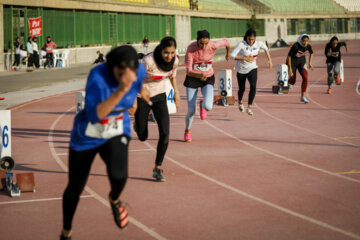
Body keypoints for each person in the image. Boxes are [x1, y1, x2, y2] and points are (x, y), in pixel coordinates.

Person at [60, 46, 151, 240]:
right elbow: (95, 115)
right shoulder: (98, 77)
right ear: (111, 68)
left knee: (119, 175)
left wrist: (142, 90)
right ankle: (66, 231)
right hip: (88, 134)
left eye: (132, 73)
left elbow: (138, 82)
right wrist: (122, 90)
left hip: (116, 130)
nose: (128, 77)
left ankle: (114, 199)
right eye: (121, 73)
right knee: (75, 188)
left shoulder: (139, 70)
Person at [134, 36, 180, 182]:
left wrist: (176, 93)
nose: (169, 56)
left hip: (160, 96)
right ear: (161, 50)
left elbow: (172, 77)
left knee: (165, 133)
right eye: (166, 52)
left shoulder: (175, 61)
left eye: (172, 53)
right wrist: (133, 102)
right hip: (143, 95)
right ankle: (138, 124)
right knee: (142, 136)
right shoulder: (148, 61)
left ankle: (157, 168)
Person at [183, 30, 230, 142]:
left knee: (208, 107)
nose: (203, 46)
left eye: (206, 43)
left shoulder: (213, 45)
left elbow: (226, 42)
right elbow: (189, 71)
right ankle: (187, 131)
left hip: (207, 78)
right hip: (193, 79)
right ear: (197, 40)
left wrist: (227, 53)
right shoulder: (191, 49)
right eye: (201, 43)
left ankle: (202, 104)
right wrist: (199, 74)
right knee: (191, 111)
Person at [230, 28, 272, 116]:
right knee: (242, 89)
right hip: (241, 69)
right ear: (246, 37)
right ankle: (240, 102)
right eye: (249, 39)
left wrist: (269, 60)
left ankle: (249, 107)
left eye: (253, 39)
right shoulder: (241, 44)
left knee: (253, 86)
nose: (251, 41)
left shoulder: (258, 44)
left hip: (252, 68)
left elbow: (266, 48)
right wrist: (244, 58)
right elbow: (232, 56)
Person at [287, 34, 314, 103]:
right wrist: (290, 68)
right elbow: (289, 56)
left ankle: (303, 96)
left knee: (305, 77)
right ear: (300, 40)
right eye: (303, 41)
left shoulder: (308, 46)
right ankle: (285, 83)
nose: (305, 43)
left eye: (307, 41)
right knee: (293, 81)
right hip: (292, 62)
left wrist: (310, 63)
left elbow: (312, 53)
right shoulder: (296, 46)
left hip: (301, 63)